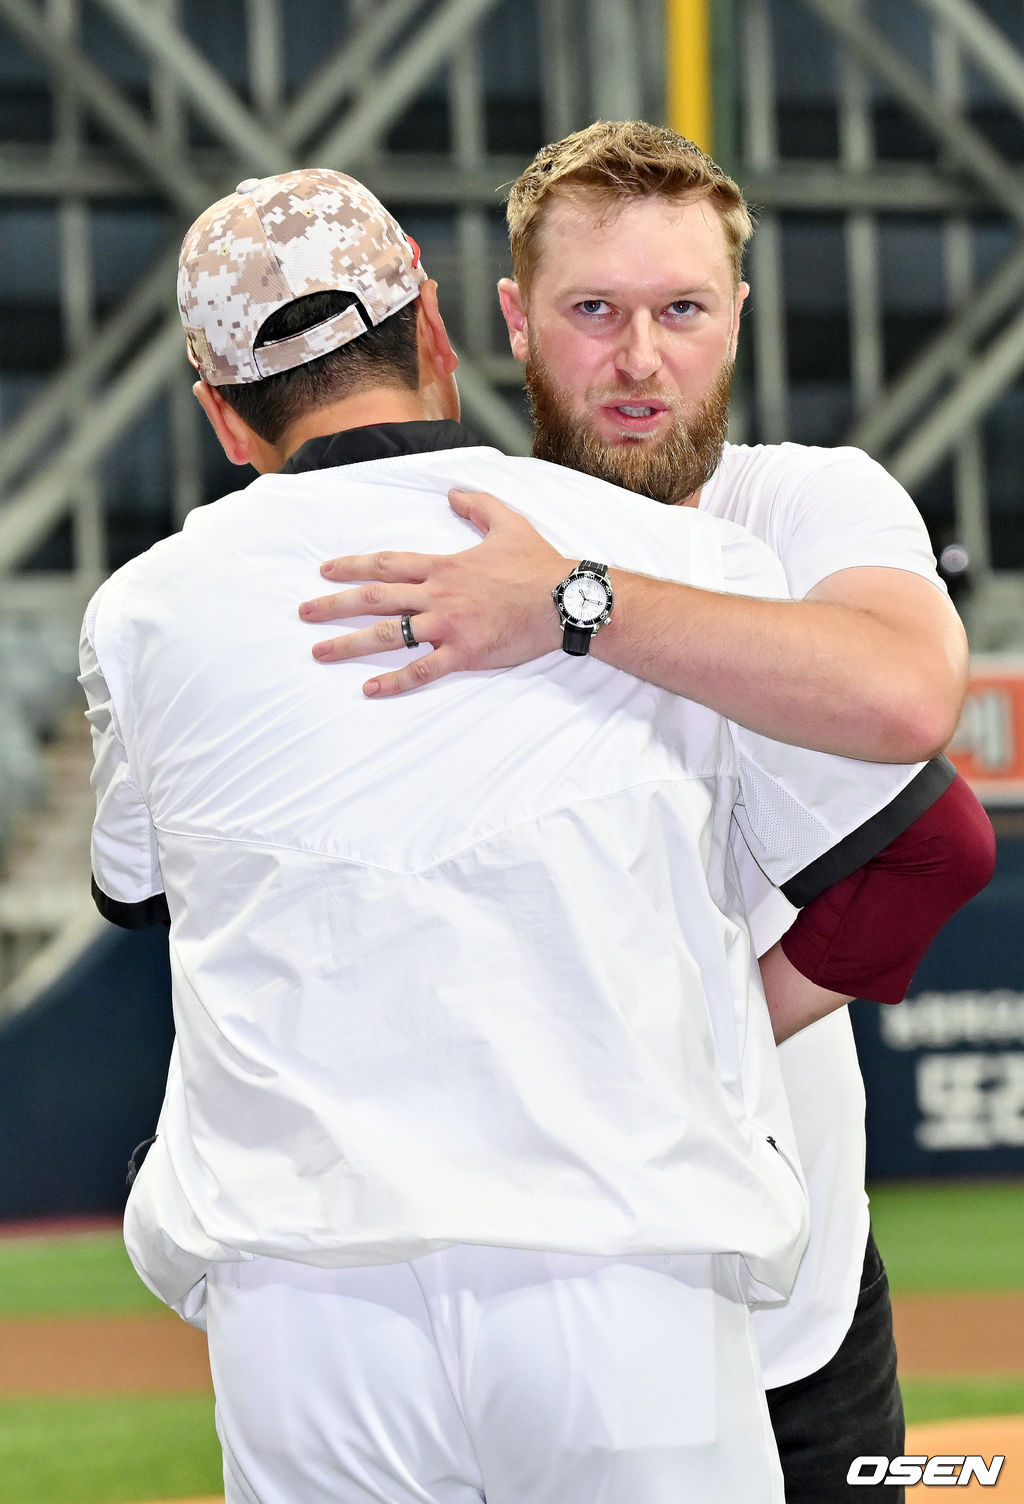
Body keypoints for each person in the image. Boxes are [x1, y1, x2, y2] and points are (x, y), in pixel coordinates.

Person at [79, 166, 990, 1504]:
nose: (637, 355)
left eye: (679, 308)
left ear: (222, 417)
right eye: (595, 309)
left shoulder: (144, 610)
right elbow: (931, 834)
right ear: (452, 332)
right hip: (621, 1259)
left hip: (304, 1293)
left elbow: (134, 886)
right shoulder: (670, 557)